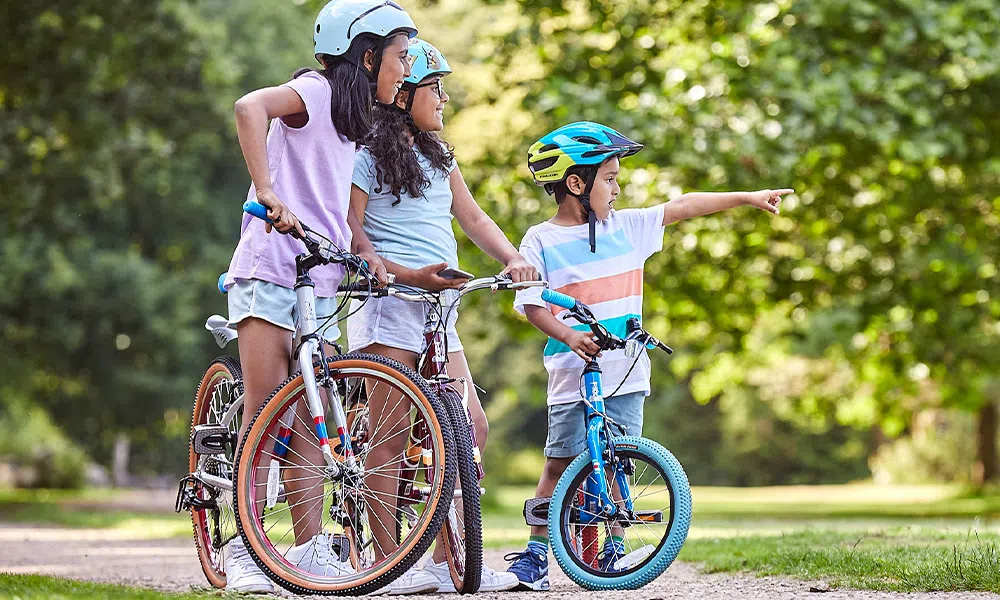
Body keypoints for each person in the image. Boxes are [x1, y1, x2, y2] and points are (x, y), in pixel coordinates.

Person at [505, 121, 793, 590]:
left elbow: (684, 205)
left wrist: (746, 196)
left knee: (618, 463)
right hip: (570, 374)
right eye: (610, 179)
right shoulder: (541, 240)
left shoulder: (630, 227)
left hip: (626, 373)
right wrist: (568, 335)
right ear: (576, 184)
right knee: (560, 463)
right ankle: (537, 554)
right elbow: (531, 304)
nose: (618, 188)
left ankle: (612, 550)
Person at [220, 0, 417, 592]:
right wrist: (266, 189)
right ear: (365, 54)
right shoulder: (318, 91)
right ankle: (244, 552)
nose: (405, 69)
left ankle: (305, 551)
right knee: (264, 409)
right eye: (399, 56)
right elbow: (248, 106)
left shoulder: (356, 123)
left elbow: (335, 208)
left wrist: (367, 257)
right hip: (271, 266)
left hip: (318, 278)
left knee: (308, 419)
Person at [348, 38, 535, 594]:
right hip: (388, 307)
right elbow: (352, 227)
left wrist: (514, 257)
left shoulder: (440, 155)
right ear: (403, 95)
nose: (445, 99)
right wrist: (384, 266)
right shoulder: (366, 153)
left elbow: (473, 217)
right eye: (435, 88)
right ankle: (389, 566)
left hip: (439, 311)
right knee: (389, 436)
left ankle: (446, 559)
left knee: (469, 426)